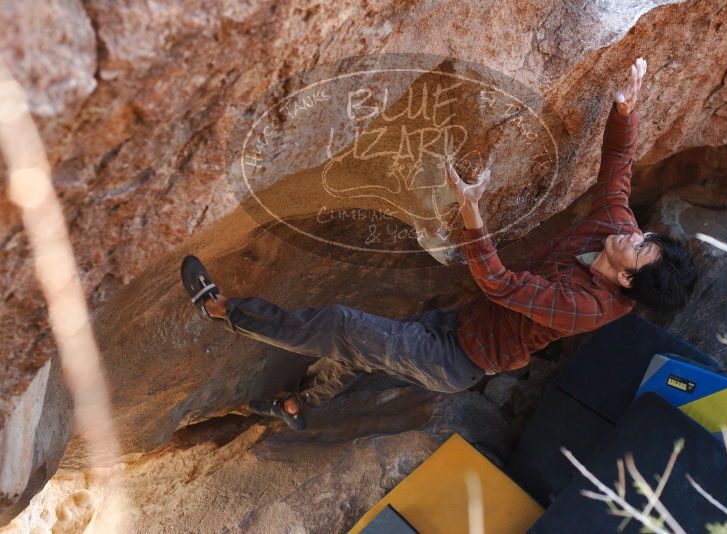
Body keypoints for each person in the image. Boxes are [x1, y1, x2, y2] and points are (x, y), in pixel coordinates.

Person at [180, 57, 697, 431]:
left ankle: (225, 311)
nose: (633, 234)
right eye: (644, 235)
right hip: (457, 322)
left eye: (639, 247)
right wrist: (625, 111)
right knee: (358, 354)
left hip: (456, 359)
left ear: (626, 278)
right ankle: (295, 406)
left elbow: (500, 284)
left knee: (342, 325)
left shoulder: (584, 308)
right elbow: (618, 172)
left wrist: (471, 213)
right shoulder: (616, 227)